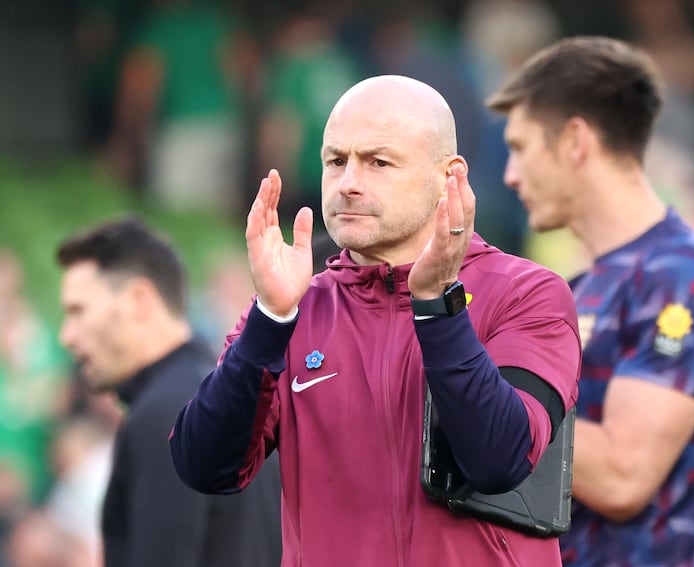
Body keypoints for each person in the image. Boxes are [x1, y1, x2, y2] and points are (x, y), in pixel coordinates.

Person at [169, 75, 581, 566]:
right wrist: (270, 317)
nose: (349, 183)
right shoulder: (294, 308)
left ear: (448, 177)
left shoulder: (526, 293)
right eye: (336, 161)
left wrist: (436, 304)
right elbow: (204, 467)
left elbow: (499, 458)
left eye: (378, 162)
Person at [486, 36, 694, 566]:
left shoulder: (684, 279)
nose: (510, 175)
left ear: (575, 142)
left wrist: (476, 399)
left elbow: (623, 476)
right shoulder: (581, 286)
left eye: (521, 147)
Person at [55, 217, 282, 567]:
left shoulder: (165, 414)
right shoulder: (228, 395)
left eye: (78, 311)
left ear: (139, 301)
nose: (67, 336)